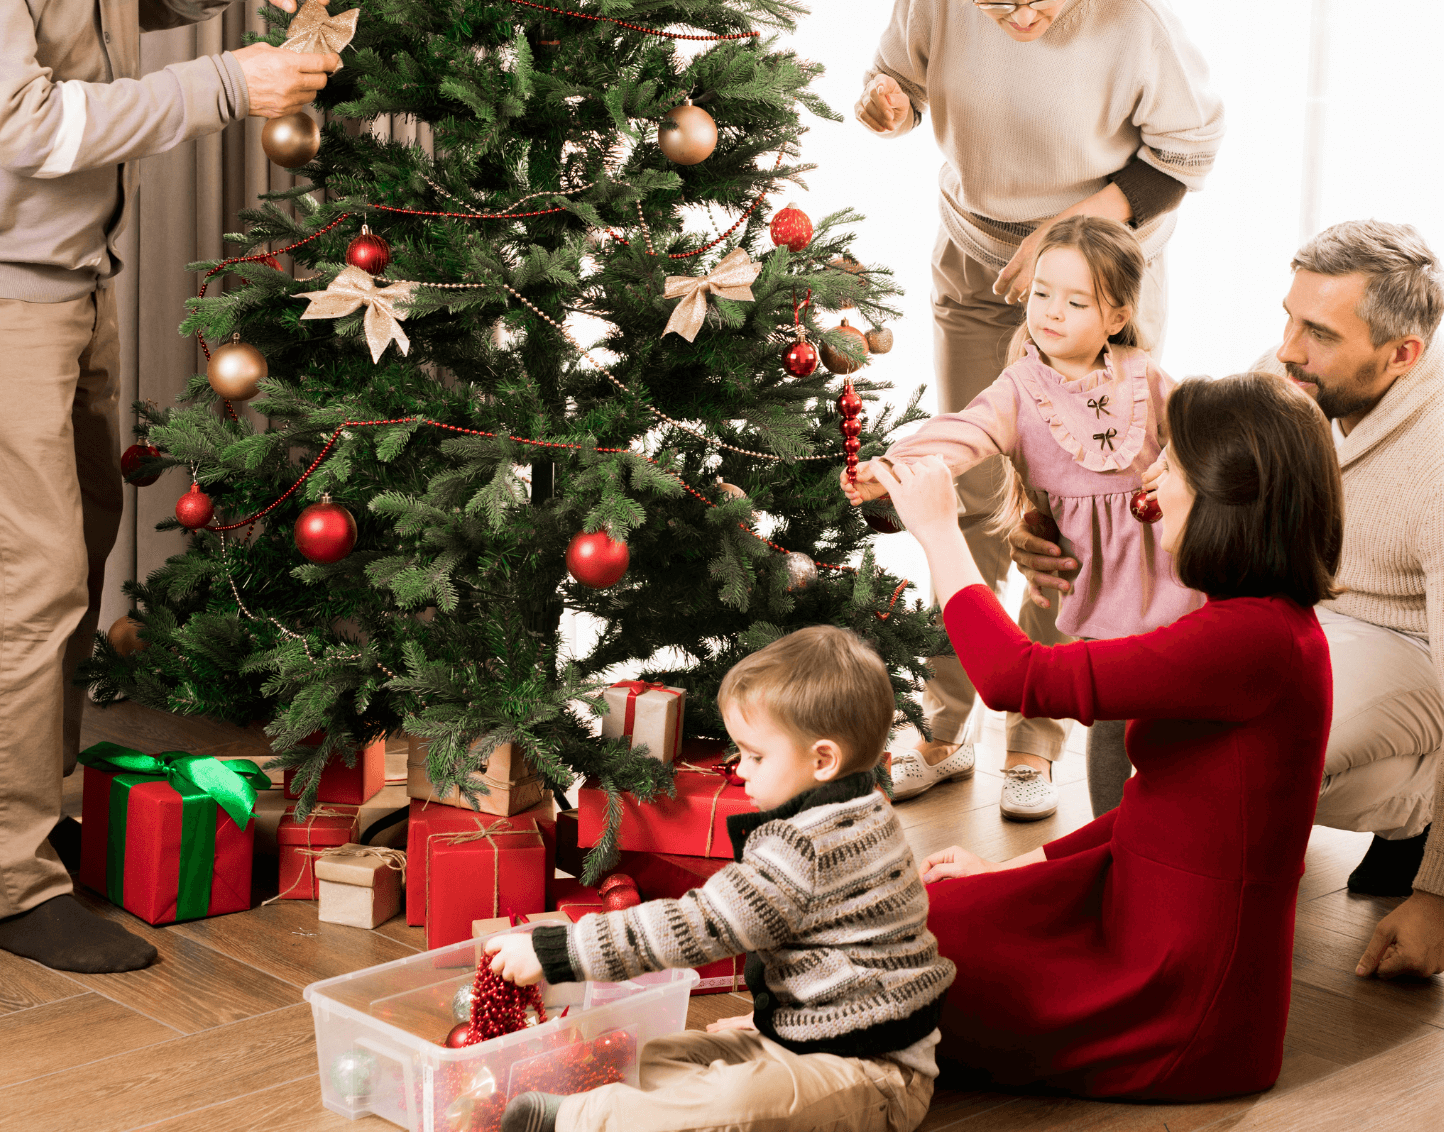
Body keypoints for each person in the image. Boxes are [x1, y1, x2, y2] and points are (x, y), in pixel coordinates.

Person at [0, 0, 339, 975]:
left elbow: (117, 0)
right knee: (28, 582)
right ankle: (9, 882)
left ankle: (26, 818)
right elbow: (28, 118)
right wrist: (236, 85)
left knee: (84, 551)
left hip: (77, 269)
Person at [856, 0, 1224, 820]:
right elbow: (899, 76)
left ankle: (1036, 733)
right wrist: (889, 102)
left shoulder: (1129, 14)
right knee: (968, 495)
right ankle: (945, 715)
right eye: (997, 3)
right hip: (980, 269)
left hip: (1095, 280)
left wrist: (1078, 232)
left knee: (1078, 515)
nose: (1023, 19)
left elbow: (1187, 150)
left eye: (1043, 0)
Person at [880, 373, 1339, 1099]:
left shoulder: (1254, 642)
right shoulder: (1254, 622)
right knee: (908, 920)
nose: (1153, 475)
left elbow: (1014, 676)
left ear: (1229, 499)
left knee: (889, 960)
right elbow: (1163, 807)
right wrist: (1013, 870)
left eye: (1174, 465)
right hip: (1135, 917)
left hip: (1174, 995)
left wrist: (939, 529)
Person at [1015, 218, 1444, 979]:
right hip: (1283, 609)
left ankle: (1191, 905)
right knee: (1134, 668)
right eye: (1288, 316)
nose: (1285, 348)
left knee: (1229, 746)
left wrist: (1441, 895)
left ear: (1403, 354)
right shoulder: (1288, 386)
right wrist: (1044, 524)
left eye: (1318, 332)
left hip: (1409, 644)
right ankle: (1120, 878)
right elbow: (1156, 487)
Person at [483, 625, 954, 1132]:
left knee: (738, 1099)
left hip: (875, 1074)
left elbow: (698, 925)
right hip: (802, 1038)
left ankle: (583, 1122)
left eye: (755, 756)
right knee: (655, 1057)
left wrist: (562, 952)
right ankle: (641, 1109)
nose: (740, 770)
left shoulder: (810, 846)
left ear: (822, 760)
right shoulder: (859, 808)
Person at [843, 215, 1201, 816]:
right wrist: (894, 466)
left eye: (1076, 302)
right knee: (1106, 712)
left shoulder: (1143, 374)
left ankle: (1181, 819)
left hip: (1166, 571)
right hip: (1085, 581)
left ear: (1115, 318)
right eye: (1041, 295)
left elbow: (1199, 432)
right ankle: (1109, 833)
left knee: (1172, 707)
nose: (1051, 312)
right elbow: (965, 431)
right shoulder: (1019, 388)